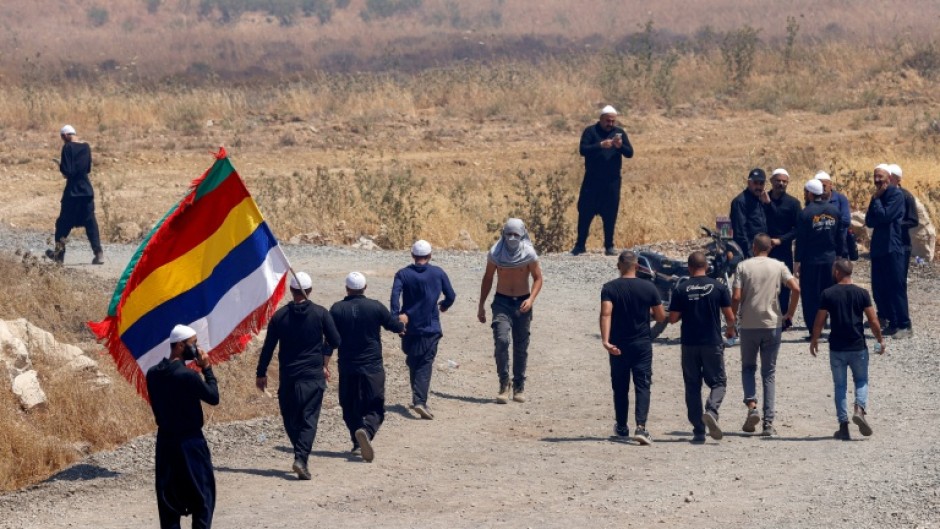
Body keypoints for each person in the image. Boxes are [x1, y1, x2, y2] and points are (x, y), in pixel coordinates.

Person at [256, 271, 341, 480]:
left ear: (292, 291)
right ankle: (301, 458)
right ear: (309, 290)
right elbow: (336, 340)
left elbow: (268, 347)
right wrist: (323, 357)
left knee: (291, 419)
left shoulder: (279, 316)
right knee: (309, 419)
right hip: (313, 376)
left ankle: (299, 453)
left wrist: (261, 373)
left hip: (289, 378)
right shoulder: (320, 313)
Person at [146, 324, 219, 529]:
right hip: (190, 443)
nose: (196, 348)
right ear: (179, 346)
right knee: (203, 497)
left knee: (169, 502)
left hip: (165, 443)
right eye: (193, 344)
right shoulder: (188, 376)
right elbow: (213, 397)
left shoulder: (152, 374)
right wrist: (207, 369)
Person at [329, 272, 405, 463]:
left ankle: (356, 440)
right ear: (365, 287)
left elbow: (329, 340)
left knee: (348, 404)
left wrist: (324, 363)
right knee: (375, 405)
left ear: (347, 288)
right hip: (372, 367)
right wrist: (403, 323)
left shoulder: (336, 309)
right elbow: (394, 326)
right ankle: (367, 431)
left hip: (347, 366)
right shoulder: (375, 307)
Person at [732, 234, 800, 437]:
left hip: (749, 324)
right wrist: (789, 313)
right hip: (772, 323)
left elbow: (736, 296)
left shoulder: (743, 266)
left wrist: (732, 318)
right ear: (769, 248)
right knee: (768, 373)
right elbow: (796, 288)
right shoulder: (779, 265)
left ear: (754, 247)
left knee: (748, 367)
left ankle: (752, 405)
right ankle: (768, 422)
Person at [809, 259, 886, 440]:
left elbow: (820, 320)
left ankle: (843, 427)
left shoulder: (828, 293)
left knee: (840, 386)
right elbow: (873, 320)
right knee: (861, 381)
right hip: (858, 345)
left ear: (837, 272)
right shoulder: (862, 293)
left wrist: (814, 339)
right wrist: (880, 340)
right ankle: (859, 409)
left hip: (837, 347)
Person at [667, 251, 736, 443]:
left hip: (689, 343)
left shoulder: (681, 289)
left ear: (689, 267)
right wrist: (731, 331)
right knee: (719, 382)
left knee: (692, 386)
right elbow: (730, 317)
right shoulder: (718, 287)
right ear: (706, 266)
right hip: (711, 341)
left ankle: (698, 430)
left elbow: (672, 319)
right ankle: (712, 411)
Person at [599, 250, 666, 445]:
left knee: (620, 386)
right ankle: (641, 427)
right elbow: (661, 317)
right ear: (637, 266)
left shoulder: (609, 288)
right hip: (642, 344)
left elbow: (606, 314)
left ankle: (621, 426)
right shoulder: (649, 287)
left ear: (619, 266)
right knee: (642, 384)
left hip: (618, 344)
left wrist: (605, 341)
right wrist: (648, 317)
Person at [478, 219, 543, 404]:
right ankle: (503, 383)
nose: (512, 238)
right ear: (503, 233)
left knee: (521, 347)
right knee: (502, 340)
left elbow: (538, 278)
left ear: (522, 234)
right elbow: (488, 278)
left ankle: (519, 386)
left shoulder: (529, 253)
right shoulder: (496, 253)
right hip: (502, 302)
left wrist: (531, 300)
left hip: (523, 302)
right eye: (509, 234)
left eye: (516, 234)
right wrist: (481, 305)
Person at [391, 240, 456, 419]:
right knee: (424, 364)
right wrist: (444, 305)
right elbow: (451, 295)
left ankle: (417, 397)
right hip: (430, 327)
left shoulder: (402, 274)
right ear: (429, 255)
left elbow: (395, 296)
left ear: (413, 255)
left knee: (413, 360)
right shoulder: (438, 273)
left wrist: (396, 318)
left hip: (409, 327)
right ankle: (420, 401)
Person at [571, 105, 634, 256]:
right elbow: (583, 150)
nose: (610, 124)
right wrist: (600, 145)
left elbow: (630, 153)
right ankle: (580, 245)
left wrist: (620, 146)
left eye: (613, 121)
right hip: (592, 180)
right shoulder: (590, 131)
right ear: (600, 119)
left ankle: (609, 246)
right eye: (607, 120)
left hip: (612, 181)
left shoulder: (619, 133)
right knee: (585, 212)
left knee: (610, 213)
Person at [45, 125, 104, 265]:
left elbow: (68, 172)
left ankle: (59, 256)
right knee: (91, 223)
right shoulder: (86, 147)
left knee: (62, 224)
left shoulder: (68, 148)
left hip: (73, 192)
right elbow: (88, 168)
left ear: (65, 135)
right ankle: (99, 253)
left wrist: (61, 166)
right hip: (87, 191)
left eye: (62, 138)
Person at [865, 165, 911, 338]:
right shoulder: (877, 196)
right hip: (878, 248)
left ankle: (905, 324)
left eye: (881, 177)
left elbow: (885, 216)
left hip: (893, 247)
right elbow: (869, 221)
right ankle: (892, 322)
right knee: (880, 287)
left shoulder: (896, 195)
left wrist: (876, 200)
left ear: (889, 178)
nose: (877, 180)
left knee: (896, 286)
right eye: (875, 176)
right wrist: (876, 201)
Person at [795, 178, 844, 339]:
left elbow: (801, 240)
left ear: (809, 193)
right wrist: (840, 257)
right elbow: (840, 237)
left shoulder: (805, 213)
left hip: (811, 261)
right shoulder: (834, 211)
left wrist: (797, 261)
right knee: (830, 294)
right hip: (830, 260)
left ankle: (814, 331)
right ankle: (833, 328)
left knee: (810, 296)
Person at [764, 168, 801, 315]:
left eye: (784, 181)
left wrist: (781, 240)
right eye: (778, 180)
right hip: (764, 249)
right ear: (772, 181)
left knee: (784, 284)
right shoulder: (762, 199)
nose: (781, 184)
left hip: (783, 248)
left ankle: (783, 315)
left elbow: (798, 229)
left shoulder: (793, 203)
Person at [888, 163, 918, 324]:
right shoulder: (884, 195)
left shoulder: (906, 196)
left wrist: (896, 224)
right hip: (887, 246)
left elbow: (913, 220)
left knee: (898, 282)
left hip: (901, 245)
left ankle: (902, 321)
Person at [729, 168, 769, 258]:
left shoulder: (762, 199)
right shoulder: (740, 202)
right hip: (750, 253)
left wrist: (768, 204)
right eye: (755, 183)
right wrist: (750, 254)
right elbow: (740, 232)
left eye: (761, 183)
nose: (758, 186)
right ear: (749, 183)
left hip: (763, 251)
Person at [815, 171, 852, 259]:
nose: (822, 189)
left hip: (838, 246)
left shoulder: (840, 199)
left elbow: (846, 220)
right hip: (819, 249)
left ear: (830, 185)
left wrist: (825, 225)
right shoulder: (813, 200)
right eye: (819, 186)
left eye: (824, 186)